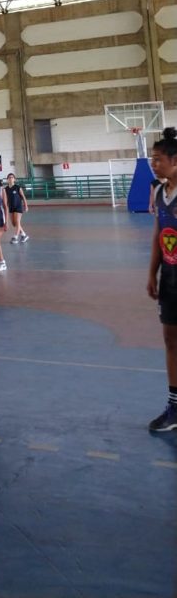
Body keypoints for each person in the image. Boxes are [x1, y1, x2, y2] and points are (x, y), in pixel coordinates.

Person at [147, 127, 177, 432]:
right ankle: (175, 406)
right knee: (171, 339)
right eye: (152, 159)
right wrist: (151, 273)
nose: (154, 164)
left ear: (174, 160)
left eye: (158, 159)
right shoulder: (159, 192)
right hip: (169, 276)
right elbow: (159, 234)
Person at [5, 173, 29, 243]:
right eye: (9, 177)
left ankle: (15, 237)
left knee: (17, 222)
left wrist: (26, 205)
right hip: (11, 207)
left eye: (12, 177)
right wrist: (5, 207)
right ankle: (24, 235)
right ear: (7, 179)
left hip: (18, 207)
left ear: (14, 179)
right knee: (14, 223)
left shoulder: (18, 187)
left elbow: (23, 197)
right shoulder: (6, 189)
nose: (10, 178)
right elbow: (6, 199)